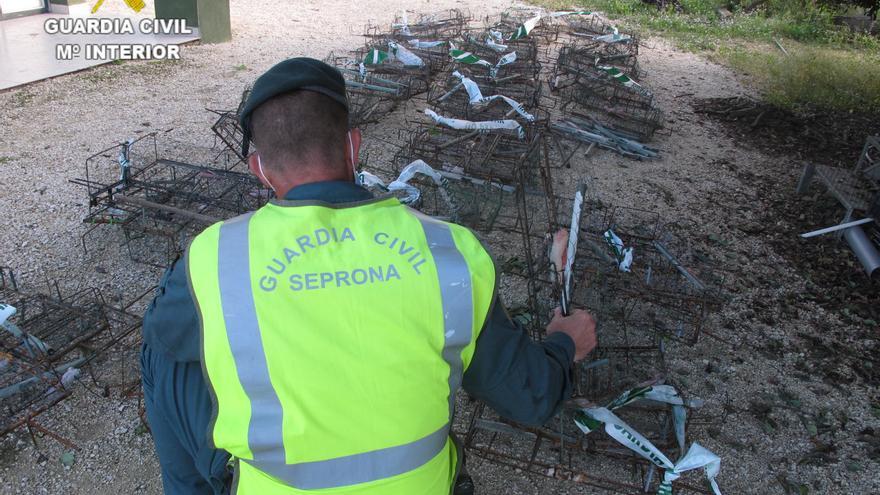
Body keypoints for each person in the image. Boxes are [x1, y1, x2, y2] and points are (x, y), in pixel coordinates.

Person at [140, 57, 597, 495]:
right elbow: (531, 398)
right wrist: (564, 343)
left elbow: (165, 332)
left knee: (162, 350)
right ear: (354, 146)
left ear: (259, 171)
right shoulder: (449, 250)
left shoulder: (218, 255)